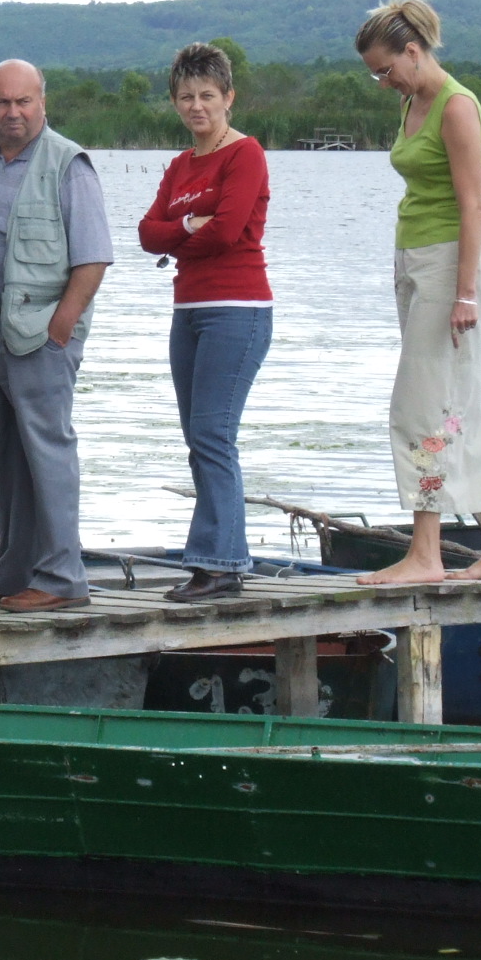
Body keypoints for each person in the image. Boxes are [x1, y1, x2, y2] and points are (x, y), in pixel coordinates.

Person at [355, 0, 481, 584]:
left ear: (413, 50)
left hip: (450, 264)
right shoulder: (412, 101)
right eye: (375, 74)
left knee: (420, 409)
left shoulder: (457, 107)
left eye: (386, 69)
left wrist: (466, 293)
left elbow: (473, 205)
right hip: (413, 258)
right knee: (457, 408)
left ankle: (425, 554)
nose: (383, 82)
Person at [0, 60, 112, 613]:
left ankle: (62, 578)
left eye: (23, 102)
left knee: (48, 454)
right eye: (2, 102)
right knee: (4, 460)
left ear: (43, 102)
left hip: (41, 337)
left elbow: (93, 257)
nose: (12, 113)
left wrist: (61, 326)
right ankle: (10, 575)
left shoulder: (69, 163)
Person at [138, 43, 272, 602]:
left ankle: (218, 565)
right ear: (175, 101)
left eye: (208, 96)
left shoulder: (245, 154)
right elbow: (147, 234)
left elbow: (229, 230)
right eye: (187, 97)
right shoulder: (180, 165)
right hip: (188, 310)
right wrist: (191, 225)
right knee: (198, 438)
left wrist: (183, 232)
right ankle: (220, 560)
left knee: (214, 435)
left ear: (228, 97)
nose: (197, 106)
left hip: (237, 309)